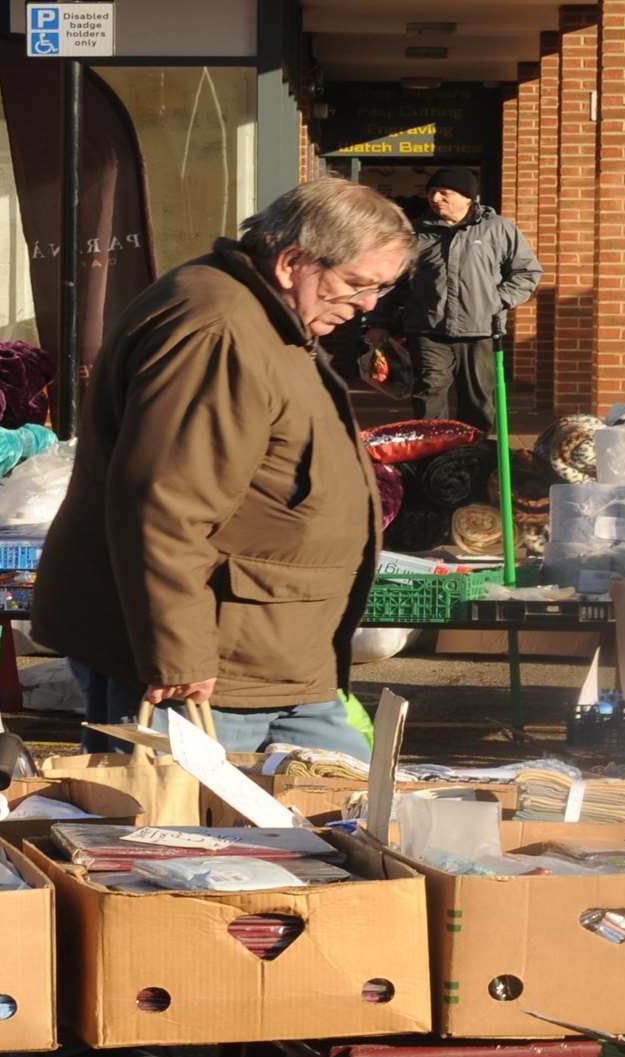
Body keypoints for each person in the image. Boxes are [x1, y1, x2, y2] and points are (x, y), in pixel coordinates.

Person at [31, 178, 414, 759]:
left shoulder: (265, 317)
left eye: (381, 289)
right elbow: (166, 504)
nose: (368, 306)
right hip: (212, 668)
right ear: (292, 263)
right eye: (358, 285)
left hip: (272, 655)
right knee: (193, 840)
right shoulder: (220, 328)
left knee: (347, 820)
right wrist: (178, 654)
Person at [364, 167, 541, 428]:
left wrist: (497, 300)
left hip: (480, 330)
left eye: (444, 193)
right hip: (427, 330)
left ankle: (474, 456)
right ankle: (432, 457)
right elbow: (391, 282)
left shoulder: (498, 230)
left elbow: (527, 272)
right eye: (432, 193)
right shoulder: (415, 234)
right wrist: (378, 322)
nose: (436, 199)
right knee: (429, 394)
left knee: (478, 400)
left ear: (467, 197)